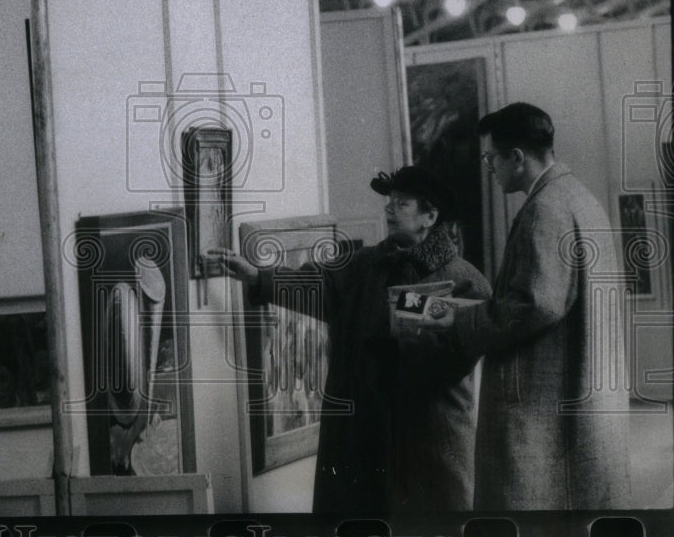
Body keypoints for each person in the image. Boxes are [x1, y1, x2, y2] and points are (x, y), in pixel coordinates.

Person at [209, 166, 491, 515]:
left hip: (427, 442)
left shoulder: (466, 282)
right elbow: (315, 287)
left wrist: (398, 324)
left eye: (402, 204)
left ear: (429, 215)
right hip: (359, 437)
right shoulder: (365, 265)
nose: (388, 209)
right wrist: (256, 275)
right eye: (389, 201)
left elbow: (454, 353)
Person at [413, 102, 631, 510]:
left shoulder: (544, 209)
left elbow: (536, 304)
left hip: (543, 402)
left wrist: (457, 319)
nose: (489, 167)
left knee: (532, 521)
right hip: (584, 392)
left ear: (516, 158)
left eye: (490, 157)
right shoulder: (578, 197)